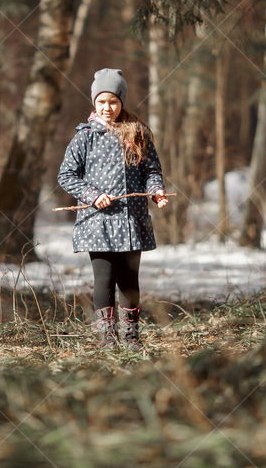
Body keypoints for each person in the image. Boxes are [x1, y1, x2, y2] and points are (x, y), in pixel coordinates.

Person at [57, 68, 169, 349]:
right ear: (94, 102)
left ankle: (131, 336)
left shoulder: (137, 133)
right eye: (102, 101)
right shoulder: (84, 137)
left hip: (132, 221)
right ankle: (108, 337)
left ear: (122, 102)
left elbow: (152, 170)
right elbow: (66, 175)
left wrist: (156, 191)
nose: (108, 108)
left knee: (129, 280)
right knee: (104, 279)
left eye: (114, 102)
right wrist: (93, 195)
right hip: (98, 222)